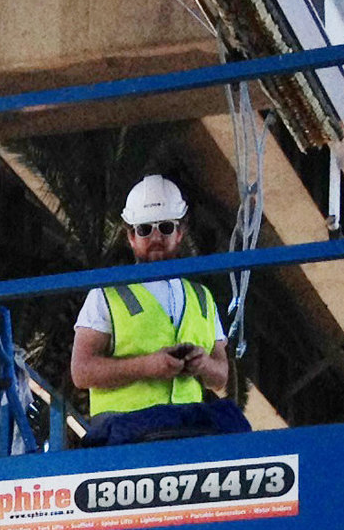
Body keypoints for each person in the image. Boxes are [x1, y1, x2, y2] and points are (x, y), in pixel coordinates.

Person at [68, 174, 253, 448]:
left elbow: (220, 375)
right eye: (144, 229)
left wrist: (202, 364)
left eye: (165, 227)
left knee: (232, 421)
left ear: (180, 232)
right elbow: (82, 371)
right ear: (131, 236)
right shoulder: (107, 294)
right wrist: (147, 366)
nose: (155, 237)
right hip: (124, 428)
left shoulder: (202, 298)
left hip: (186, 430)